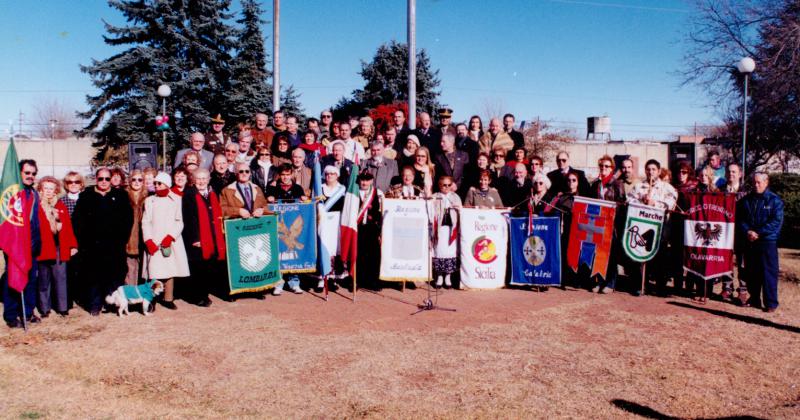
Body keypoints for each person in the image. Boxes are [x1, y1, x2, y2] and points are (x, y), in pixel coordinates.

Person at [72, 167, 133, 316]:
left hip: (114, 245)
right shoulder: (86, 196)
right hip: (92, 246)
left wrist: (121, 239)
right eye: (101, 179)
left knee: (115, 275)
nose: (104, 182)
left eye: (107, 178)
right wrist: (84, 241)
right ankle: (95, 304)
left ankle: (113, 304)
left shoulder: (120, 195)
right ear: (96, 179)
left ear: (111, 179)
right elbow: (78, 221)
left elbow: (128, 219)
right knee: (93, 276)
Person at [628, 159, 677, 295]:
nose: (651, 172)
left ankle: (660, 286)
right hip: (643, 228)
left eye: (654, 169)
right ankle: (641, 285)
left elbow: (671, 203)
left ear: (659, 171)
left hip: (660, 229)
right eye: (648, 169)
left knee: (660, 257)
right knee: (641, 257)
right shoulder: (639, 187)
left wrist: (654, 203)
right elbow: (629, 200)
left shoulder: (666, 187)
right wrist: (641, 200)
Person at [141, 172, 190, 310]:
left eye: (159, 183)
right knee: (154, 271)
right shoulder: (150, 200)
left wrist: (170, 237)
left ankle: (168, 298)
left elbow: (179, 221)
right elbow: (145, 222)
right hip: (154, 240)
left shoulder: (176, 199)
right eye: (155, 183)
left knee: (170, 269)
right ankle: (151, 299)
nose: (156, 186)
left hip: (170, 241)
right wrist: (148, 240)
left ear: (167, 184)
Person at [3, 160, 41, 328]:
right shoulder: (11, 193)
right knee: (13, 277)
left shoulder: (33, 193)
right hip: (15, 244)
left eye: (33, 173)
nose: (30, 176)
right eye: (27, 173)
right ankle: (11, 315)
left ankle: (27, 311)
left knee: (31, 279)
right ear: (19, 173)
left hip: (31, 244)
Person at [738, 172, 784, 312]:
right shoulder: (746, 200)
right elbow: (741, 219)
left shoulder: (775, 201)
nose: (756, 185)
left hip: (767, 241)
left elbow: (776, 222)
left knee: (768, 272)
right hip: (751, 240)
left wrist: (759, 232)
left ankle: (770, 303)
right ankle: (754, 298)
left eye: (759, 182)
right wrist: (748, 231)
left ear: (766, 182)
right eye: (754, 182)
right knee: (752, 272)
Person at [181, 169, 225, 307]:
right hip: (197, 238)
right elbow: (188, 219)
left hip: (211, 237)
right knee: (197, 268)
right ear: (193, 180)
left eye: (204, 178)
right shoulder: (189, 195)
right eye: (198, 178)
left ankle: (205, 293)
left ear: (209, 179)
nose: (201, 181)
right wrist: (195, 238)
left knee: (207, 267)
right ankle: (198, 296)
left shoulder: (212, 194)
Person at [36, 176, 78, 318]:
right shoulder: (37, 206)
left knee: (60, 278)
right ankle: (44, 308)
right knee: (43, 280)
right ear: (41, 189)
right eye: (45, 188)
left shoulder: (60, 206)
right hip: (43, 248)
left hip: (59, 247)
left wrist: (73, 245)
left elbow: (68, 228)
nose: (48, 191)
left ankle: (62, 307)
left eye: (51, 188)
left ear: (56, 190)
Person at [265, 164, 307, 295]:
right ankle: (278, 283)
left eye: (287, 175)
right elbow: (267, 202)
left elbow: (303, 205)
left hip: (292, 226)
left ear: (292, 175)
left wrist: (303, 200)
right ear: (279, 175)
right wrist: (269, 199)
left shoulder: (297, 188)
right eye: (282, 175)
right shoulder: (272, 188)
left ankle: (294, 282)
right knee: (279, 253)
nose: (285, 177)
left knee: (294, 254)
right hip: (279, 226)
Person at [589, 155, 625, 294]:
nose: (603, 168)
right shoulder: (596, 184)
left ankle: (610, 282)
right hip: (597, 223)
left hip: (612, 224)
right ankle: (598, 280)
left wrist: (610, 208)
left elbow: (622, 203)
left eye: (607, 166)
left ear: (612, 168)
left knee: (610, 255)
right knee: (597, 253)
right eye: (601, 166)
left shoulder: (617, 184)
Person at [719, 163, 748, 303]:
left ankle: (743, 289)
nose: (731, 174)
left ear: (740, 174)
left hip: (741, 231)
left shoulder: (746, 192)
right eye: (729, 172)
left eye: (734, 172)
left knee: (742, 262)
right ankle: (727, 288)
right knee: (726, 260)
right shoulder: (720, 190)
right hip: (725, 231)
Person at [355, 173, 384, 290]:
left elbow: (381, 212)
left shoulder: (378, 193)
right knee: (359, 254)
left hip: (372, 228)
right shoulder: (354, 193)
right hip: (359, 227)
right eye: (362, 180)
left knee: (373, 255)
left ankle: (373, 281)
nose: (364, 183)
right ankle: (358, 280)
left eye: (367, 180)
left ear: (372, 180)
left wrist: (379, 229)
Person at [431, 176, 461, 289]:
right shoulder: (435, 197)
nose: (447, 187)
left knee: (450, 252)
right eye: (444, 185)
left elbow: (461, 212)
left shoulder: (456, 197)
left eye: (449, 185)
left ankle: (448, 277)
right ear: (439, 185)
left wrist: (458, 209)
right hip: (440, 229)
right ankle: (439, 277)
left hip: (451, 229)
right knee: (439, 251)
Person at [125, 170, 147, 287]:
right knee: (130, 267)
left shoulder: (149, 197)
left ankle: (141, 295)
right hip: (130, 238)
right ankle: (131, 294)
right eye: (134, 179)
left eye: (140, 180)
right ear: (129, 181)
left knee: (143, 268)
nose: (137, 182)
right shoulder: (124, 196)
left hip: (144, 237)